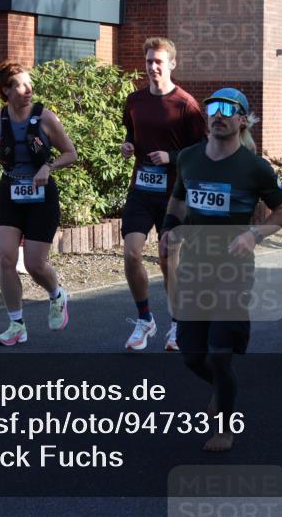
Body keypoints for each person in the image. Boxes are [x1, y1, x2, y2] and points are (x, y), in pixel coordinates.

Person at [159, 88, 282, 451]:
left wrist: (253, 234)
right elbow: (180, 198)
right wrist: (169, 229)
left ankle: (224, 427)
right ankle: (222, 386)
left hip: (233, 270)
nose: (218, 114)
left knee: (219, 353)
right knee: (192, 356)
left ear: (243, 120)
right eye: (213, 108)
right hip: (194, 267)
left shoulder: (255, 167)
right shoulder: (188, 158)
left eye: (229, 110)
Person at [0, 60, 78, 345]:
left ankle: (57, 295)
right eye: (20, 84)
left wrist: (49, 167)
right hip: (10, 191)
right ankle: (16, 325)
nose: (29, 89)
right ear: (6, 90)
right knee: (5, 259)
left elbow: (71, 153)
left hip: (42, 194)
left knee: (33, 263)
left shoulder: (46, 118)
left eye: (30, 83)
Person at [120, 37, 207, 352]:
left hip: (175, 195)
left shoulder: (186, 104)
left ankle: (178, 323)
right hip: (141, 190)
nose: (153, 67)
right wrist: (128, 146)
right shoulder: (134, 100)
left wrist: (172, 157)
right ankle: (145, 320)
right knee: (131, 254)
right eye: (148, 62)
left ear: (172, 64)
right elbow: (131, 134)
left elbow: (202, 150)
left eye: (159, 61)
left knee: (168, 259)